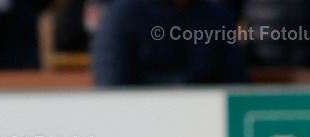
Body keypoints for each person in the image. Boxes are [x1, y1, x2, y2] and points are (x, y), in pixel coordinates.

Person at [92, 0, 248, 86]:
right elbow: (111, 87)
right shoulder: (121, 16)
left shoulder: (217, 15)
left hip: (208, 122)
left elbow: (235, 83)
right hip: (141, 122)